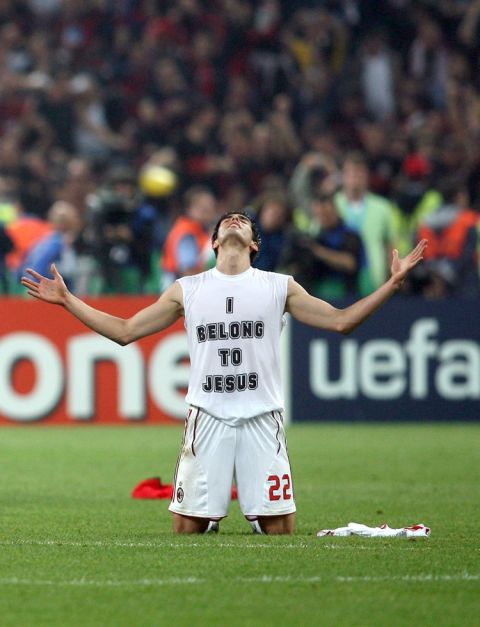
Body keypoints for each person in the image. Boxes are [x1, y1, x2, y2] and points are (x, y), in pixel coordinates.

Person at [21, 211, 427, 535]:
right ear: (214, 242)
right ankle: (212, 514)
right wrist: (68, 301)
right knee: (186, 528)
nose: (234, 220)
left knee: (280, 530)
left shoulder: (278, 286)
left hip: (261, 417)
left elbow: (342, 322)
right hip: (208, 416)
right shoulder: (188, 288)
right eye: (225, 221)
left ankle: (250, 509)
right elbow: (126, 332)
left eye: (243, 219)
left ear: (253, 243)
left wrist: (391, 284)